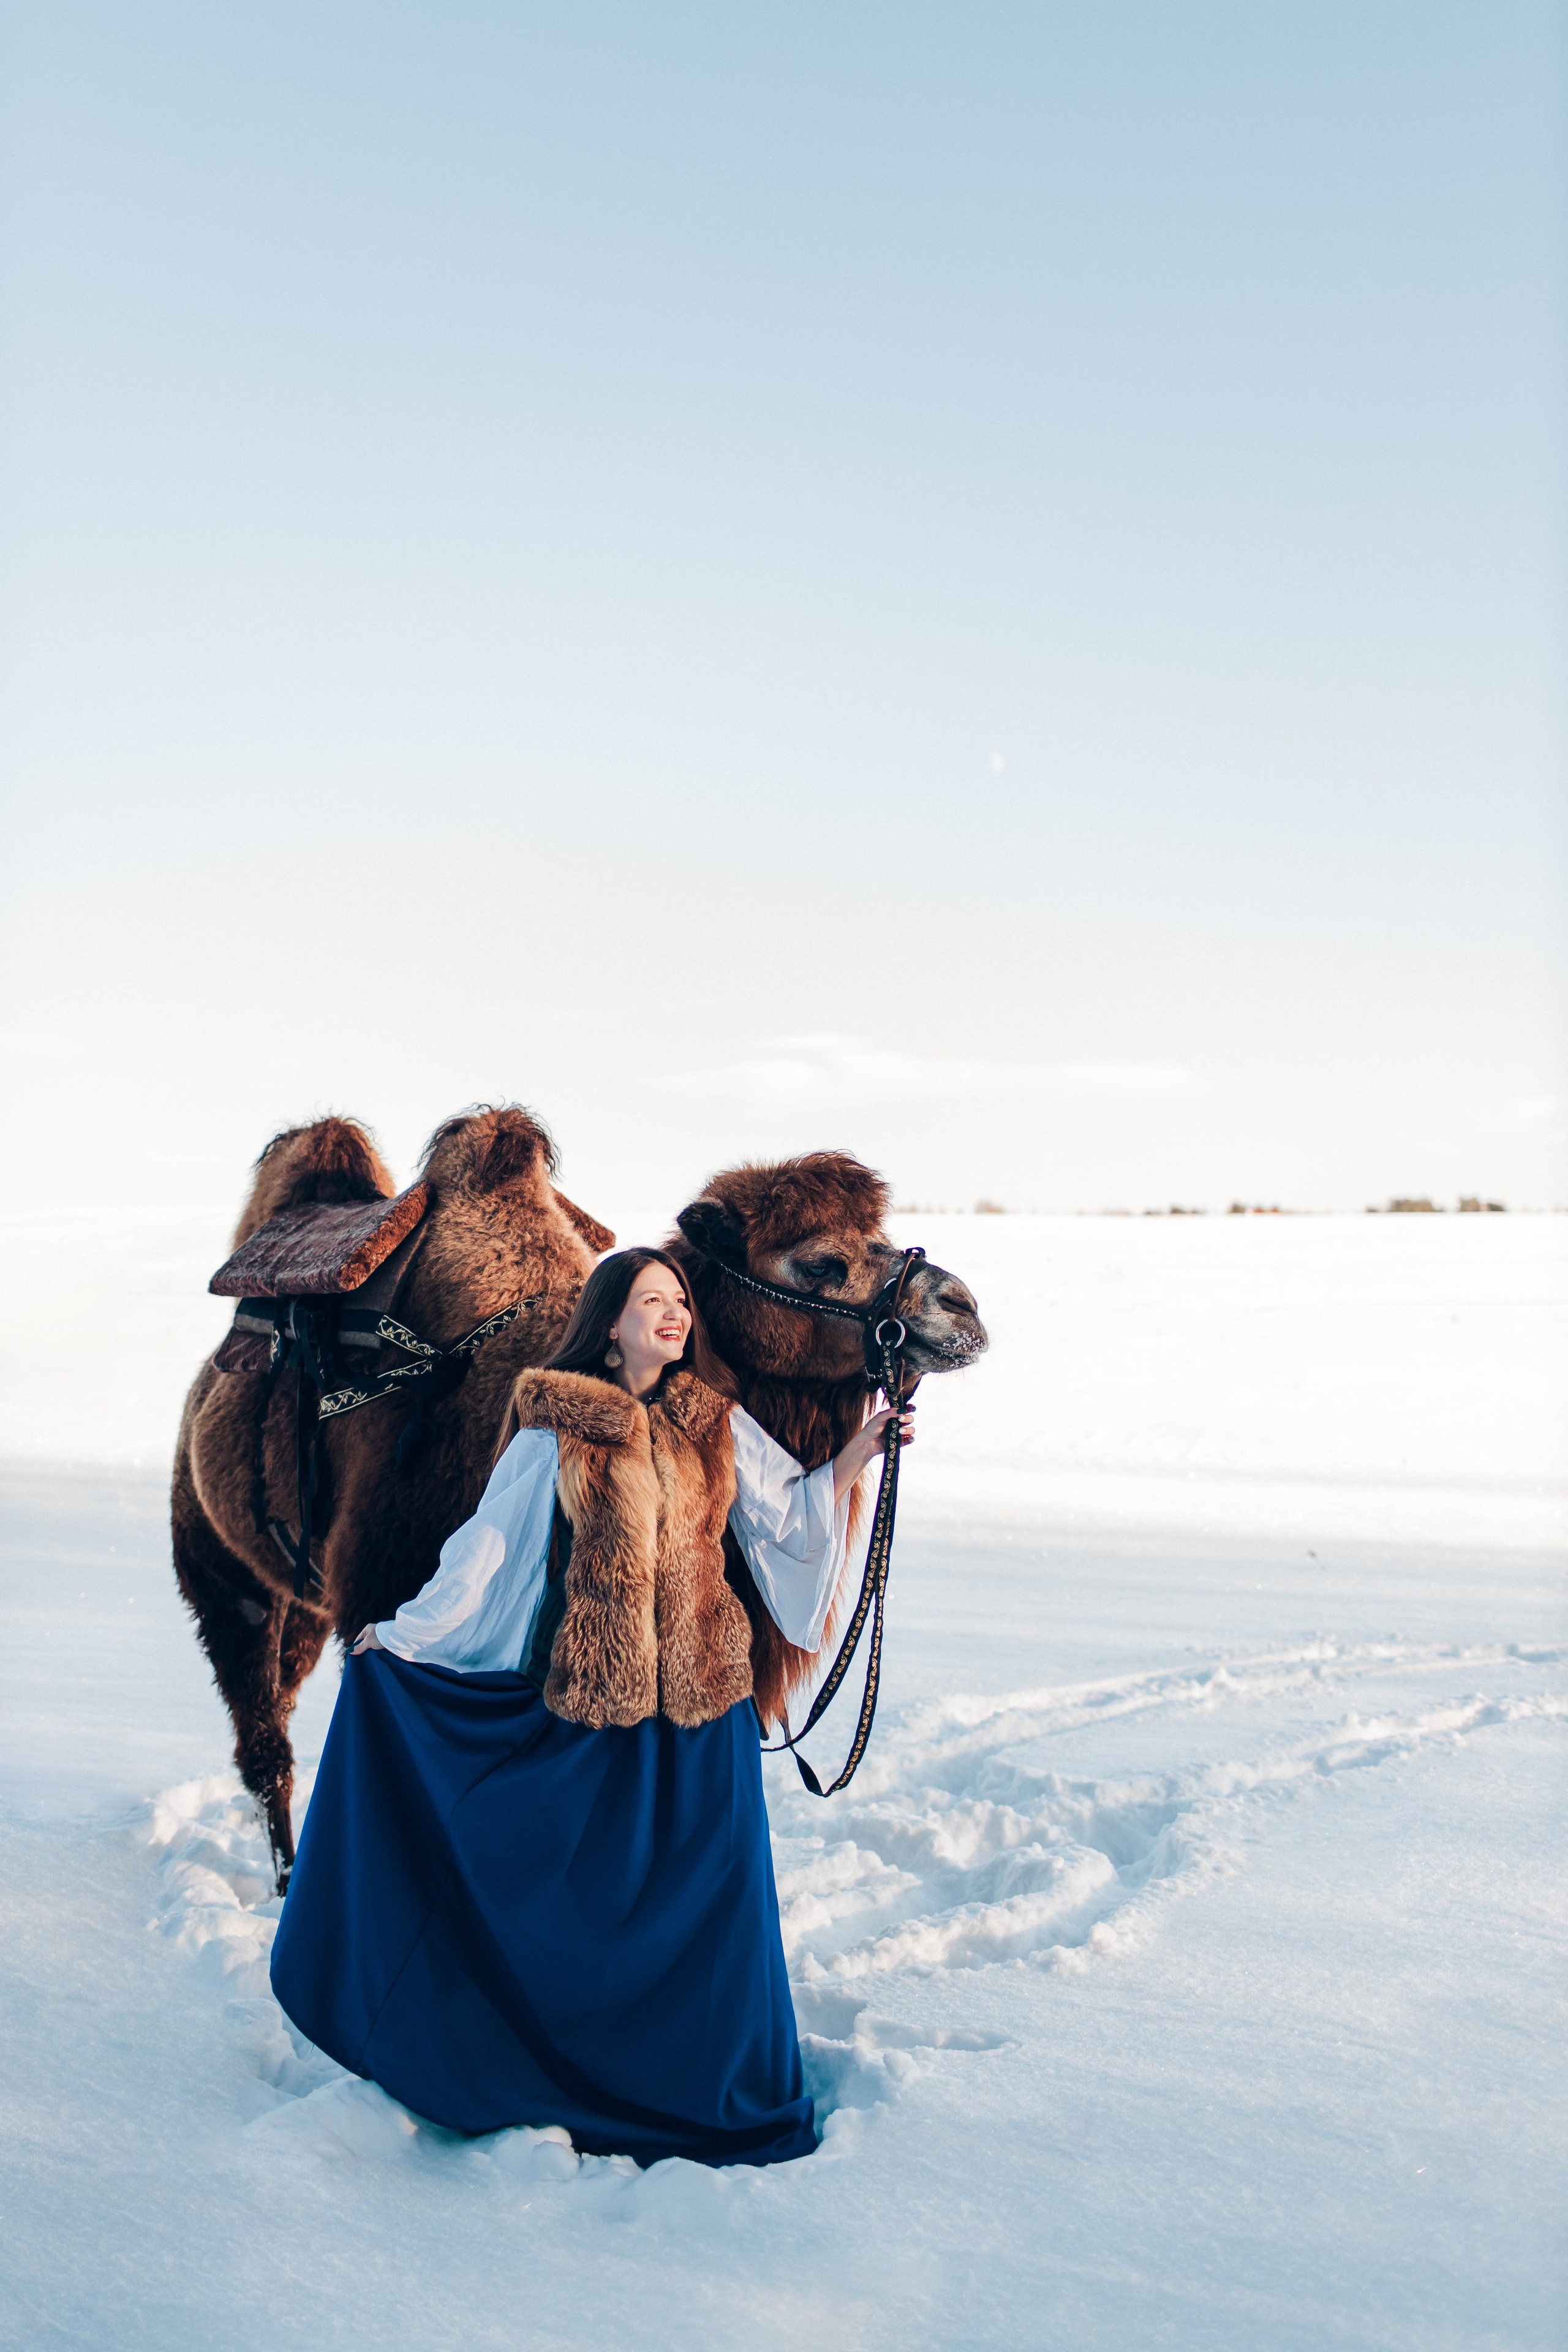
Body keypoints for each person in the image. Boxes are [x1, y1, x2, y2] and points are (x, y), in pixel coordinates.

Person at [268, 1246, 912, 2168]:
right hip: (605, 1713)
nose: (674, 1314)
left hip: (707, 1718)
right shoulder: (556, 1430)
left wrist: (860, 1452)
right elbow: (491, 1551)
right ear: (609, 1325)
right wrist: (404, 1639)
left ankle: (724, 2096)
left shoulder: (712, 1424)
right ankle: (538, 2066)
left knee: (721, 1921)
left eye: (680, 1301)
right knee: (585, 1918)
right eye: (653, 1300)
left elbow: (789, 1519)